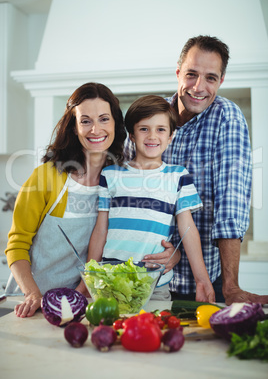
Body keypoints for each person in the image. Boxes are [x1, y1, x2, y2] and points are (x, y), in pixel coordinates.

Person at [125, 35, 268, 305]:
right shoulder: (149, 119)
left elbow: (231, 203)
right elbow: (128, 195)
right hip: (143, 274)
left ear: (221, 81)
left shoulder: (227, 116)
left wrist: (231, 286)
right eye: (191, 74)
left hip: (201, 283)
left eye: (211, 78)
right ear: (178, 73)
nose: (199, 87)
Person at [5, 82, 126, 318]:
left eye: (104, 119)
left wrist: (80, 294)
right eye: (85, 121)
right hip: (29, 302)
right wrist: (33, 294)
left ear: (115, 123)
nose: (95, 129)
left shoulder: (119, 180)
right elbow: (17, 244)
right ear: (73, 127)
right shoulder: (46, 176)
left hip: (80, 304)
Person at [87, 95, 215, 302]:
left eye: (161, 129)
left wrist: (202, 280)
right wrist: (89, 277)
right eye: (144, 129)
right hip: (110, 281)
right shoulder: (110, 175)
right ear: (132, 135)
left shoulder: (178, 176)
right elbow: (101, 229)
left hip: (155, 284)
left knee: (154, 333)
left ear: (171, 136)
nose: (152, 136)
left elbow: (188, 229)